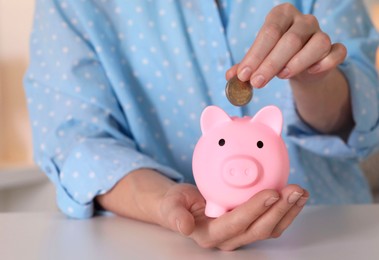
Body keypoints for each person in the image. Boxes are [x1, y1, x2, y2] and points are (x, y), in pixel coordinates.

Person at [24, 0, 378, 250]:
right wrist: (166, 202)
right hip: (152, 244)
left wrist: (315, 81)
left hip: (330, 235)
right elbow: (76, 141)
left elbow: (368, 108)